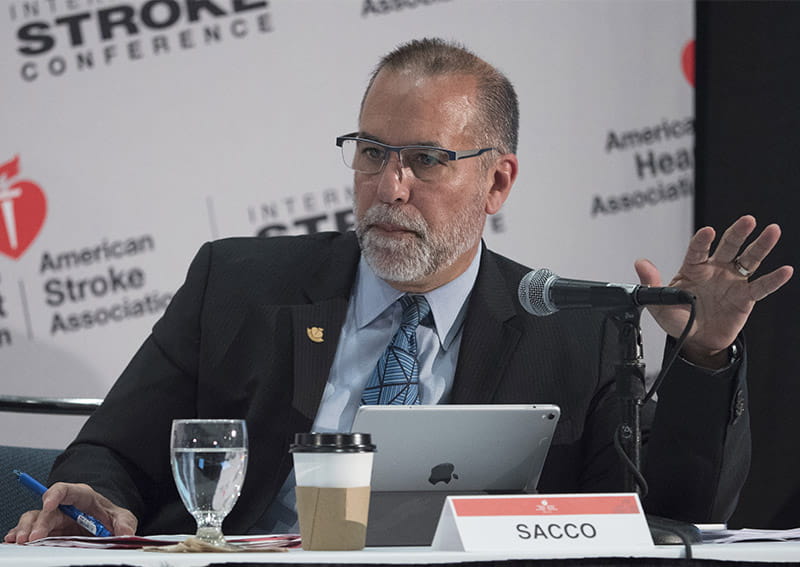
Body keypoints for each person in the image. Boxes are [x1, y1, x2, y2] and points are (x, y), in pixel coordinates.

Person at [6, 38, 793, 543]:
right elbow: (110, 449)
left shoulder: (571, 330)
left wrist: (706, 353)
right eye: (373, 151)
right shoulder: (238, 286)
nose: (391, 185)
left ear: (498, 181)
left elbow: (676, 514)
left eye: (426, 158)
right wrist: (94, 497)